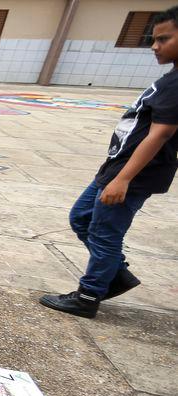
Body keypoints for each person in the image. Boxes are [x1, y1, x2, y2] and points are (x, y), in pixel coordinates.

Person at [41, 8, 178, 318]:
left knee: (105, 232)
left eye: (164, 39)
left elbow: (161, 133)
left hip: (132, 173)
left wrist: (124, 179)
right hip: (116, 168)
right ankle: (115, 273)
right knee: (81, 217)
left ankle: (88, 296)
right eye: (153, 39)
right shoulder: (171, 78)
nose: (155, 46)